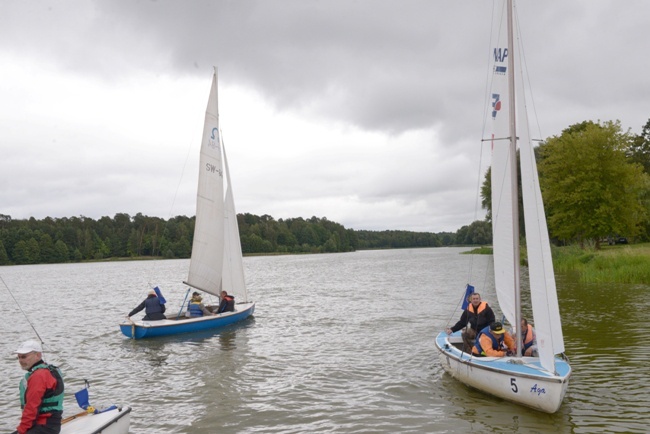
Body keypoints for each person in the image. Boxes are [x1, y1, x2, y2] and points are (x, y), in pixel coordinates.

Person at [12, 340, 64, 434]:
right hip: (51, 425)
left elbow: (32, 408)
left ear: (38, 355)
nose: (20, 360)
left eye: (24, 356)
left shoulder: (38, 376)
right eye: (19, 357)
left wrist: (21, 430)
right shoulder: (49, 370)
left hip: (44, 426)